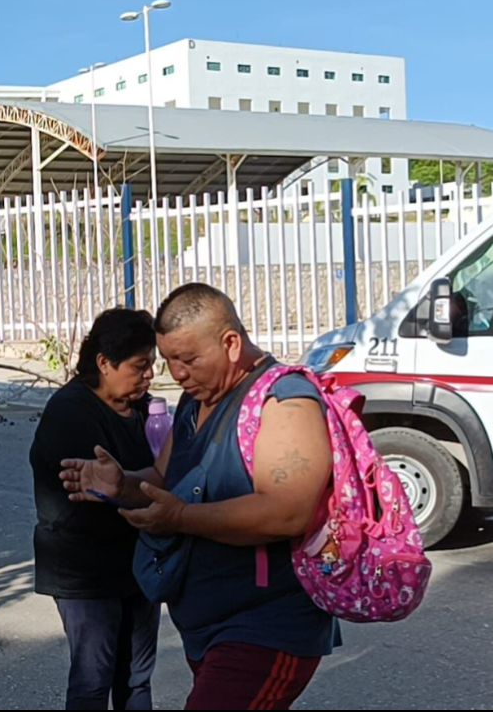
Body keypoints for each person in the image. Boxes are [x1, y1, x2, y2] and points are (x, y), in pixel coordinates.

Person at [61, 284, 340, 711]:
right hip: (208, 628)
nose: (176, 374)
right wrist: (121, 484)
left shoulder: (284, 402)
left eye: (188, 359)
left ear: (230, 343)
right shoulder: (196, 401)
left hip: (265, 627)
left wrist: (181, 518)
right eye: (169, 360)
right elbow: (162, 477)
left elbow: (288, 513)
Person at [29, 308, 162, 711]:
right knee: (93, 679)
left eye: (152, 366)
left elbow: (164, 474)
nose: (149, 376)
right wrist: (138, 484)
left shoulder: (147, 411)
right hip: (85, 568)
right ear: (104, 363)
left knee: (137, 680)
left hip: (137, 562)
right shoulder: (70, 413)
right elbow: (101, 490)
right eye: (140, 366)